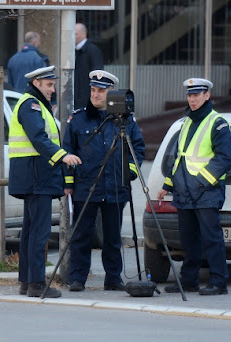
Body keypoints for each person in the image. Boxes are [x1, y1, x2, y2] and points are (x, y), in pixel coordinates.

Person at [63, 70, 145, 292]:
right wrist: (69, 183)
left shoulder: (124, 120)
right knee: (81, 235)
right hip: (85, 185)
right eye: (93, 90)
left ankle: (113, 278)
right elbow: (68, 150)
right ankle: (78, 278)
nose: (96, 94)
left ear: (111, 92)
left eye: (101, 90)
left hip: (115, 186)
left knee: (112, 238)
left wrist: (129, 173)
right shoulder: (78, 119)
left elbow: (137, 148)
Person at [8, 65, 82, 298]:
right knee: (38, 233)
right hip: (36, 176)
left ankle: (27, 282)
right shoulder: (31, 105)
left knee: (30, 232)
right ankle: (37, 284)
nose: (53, 89)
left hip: (34, 175)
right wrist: (63, 156)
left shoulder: (34, 104)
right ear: (37, 83)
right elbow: (38, 138)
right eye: (49, 85)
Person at [157, 78, 231, 296]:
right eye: (190, 95)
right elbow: (180, 157)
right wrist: (168, 185)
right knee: (189, 240)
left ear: (207, 95)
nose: (192, 99)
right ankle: (189, 281)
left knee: (211, 238)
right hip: (184, 191)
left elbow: (225, 158)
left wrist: (202, 181)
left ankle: (219, 282)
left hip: (206, 191)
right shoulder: (187, 122)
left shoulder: (217, 122)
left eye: (196, 95)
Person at [74, 23, 104, 110]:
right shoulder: (73, 51)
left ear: (84, 34)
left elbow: (98, 75)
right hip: (76, 97)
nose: (73, 37)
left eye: (75, 34)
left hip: (87, 98)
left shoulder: (93, 51)